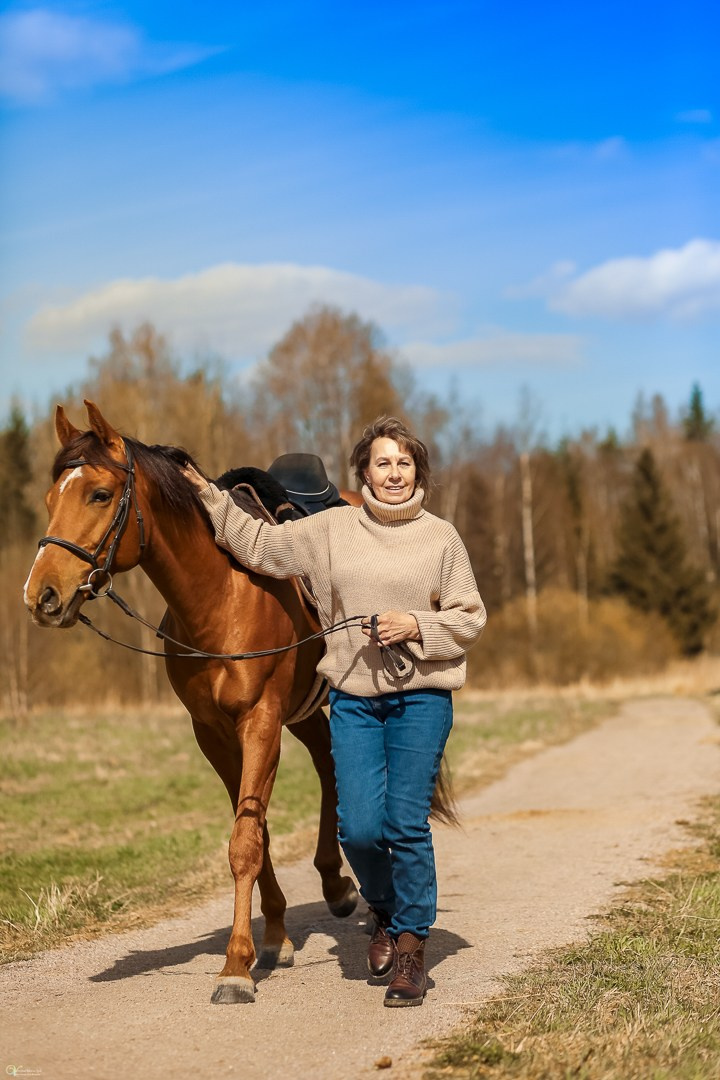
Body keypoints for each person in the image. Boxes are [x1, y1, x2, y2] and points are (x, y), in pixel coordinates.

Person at [185, 416, 486, 1006]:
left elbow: (470, 617)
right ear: (364, 472)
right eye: (382, 463)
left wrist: (417, 624)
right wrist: (206, 496)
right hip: (352, 699)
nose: (393, 474)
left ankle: (409, 947)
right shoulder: (329, 530)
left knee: (404, 823)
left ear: (417, 471)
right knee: (361, 829)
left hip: (422, 697)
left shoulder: (442, 537)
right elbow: (258, 546)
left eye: (403, 463)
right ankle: (386, 907)